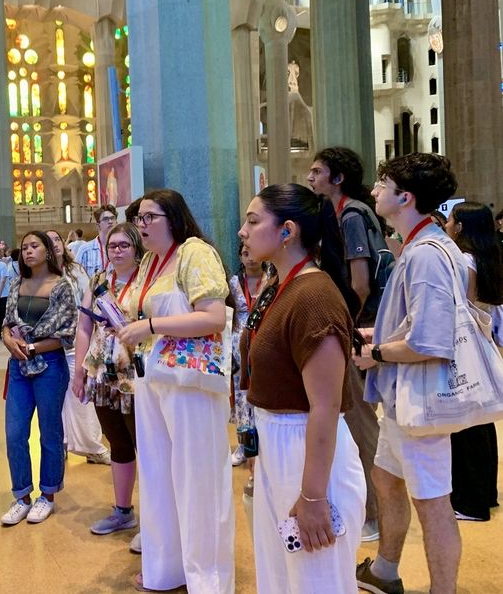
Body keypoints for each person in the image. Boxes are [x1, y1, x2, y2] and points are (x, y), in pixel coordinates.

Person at [238, 184, 365, 593]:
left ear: (287, 230)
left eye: (253, 221)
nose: (243, 231)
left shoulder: (314, 296)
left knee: (316, 580)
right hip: (281, 445)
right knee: (280, 579)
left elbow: (325, 407)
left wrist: (312, 498)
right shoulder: (279, 284)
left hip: (308, 449)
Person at [354, 152, 465, 594]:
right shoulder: (420, 246)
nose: (376, 190)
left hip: (422, 402)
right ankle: (385, 570)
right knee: (386, 477)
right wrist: (377, 333)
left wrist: (377, 353)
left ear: (406, 196)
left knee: (433, 504)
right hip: (405, 400)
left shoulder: (425, 254)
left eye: (383, 183)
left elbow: (429, 341)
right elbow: (417, 323)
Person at [115, 189, 234, 592]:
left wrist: (149, 327)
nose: (142, 226)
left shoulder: (194, 252)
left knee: (196, 475)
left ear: (173, 217)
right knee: (158, 474)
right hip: (153, 379)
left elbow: (213, 317)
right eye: (139, 219)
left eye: (150, 217)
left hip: (189, 382)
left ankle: (207, 577)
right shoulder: (149, 261)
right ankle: (167, 567)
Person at [307, 146, 383, 541]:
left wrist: (345, 326)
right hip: (359, 325)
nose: (311, 177)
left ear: (337, 178)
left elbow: (360, 282)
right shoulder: (341, 214)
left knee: (361, 419)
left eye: (317, 171)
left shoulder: (352, 214)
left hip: (361, 327)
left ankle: (375, 513)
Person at [0, 231, 77, 526]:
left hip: (50, 365)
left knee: (50, 432)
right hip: (18, 367)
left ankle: (48, 494)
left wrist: (30, 347)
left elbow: (65, 334)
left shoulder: (61, 287)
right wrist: (8, 341)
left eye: (35, 246)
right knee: (15, 433)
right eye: (24, 247)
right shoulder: (17, 282)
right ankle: (21, 495)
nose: (29, 251)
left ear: (47, 250)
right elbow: (6, 324)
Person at [72, 223, 143, 538]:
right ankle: (123, 511)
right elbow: (84, 327)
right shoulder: (99, 280)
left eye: (124, 245)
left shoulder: (147, 279)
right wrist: (79, 371)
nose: (117, 250)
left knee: (147, 446)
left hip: (136, 377)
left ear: (136, 248)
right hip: (103, 375)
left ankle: (158, 518)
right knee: (118, 442)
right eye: (112, 245)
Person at [444, 202, 503, 521]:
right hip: (485, 342)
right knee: (480, 422)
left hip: (466, 346)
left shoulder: (465, 261)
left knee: (466, 424)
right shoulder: (488, 258)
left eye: (451, 219)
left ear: (462, 227)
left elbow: (460, 307)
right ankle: (485, 494)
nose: (447, 223)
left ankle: (471, 501)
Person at [47, 229, 110, 465]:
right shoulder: (41, 274)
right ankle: (60, 443)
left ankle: (92, 446)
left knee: (81, 395)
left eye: (57, 239)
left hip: (77, 342)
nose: (54, 244)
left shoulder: (76, 271)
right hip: (51, 344)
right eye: (48, 241)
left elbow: (89, 303)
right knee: (54, 400)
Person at [227, 240, 265, 467]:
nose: (250, 258)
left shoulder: (272, 279)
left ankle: (264, 444)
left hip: (262, 341)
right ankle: (243, 445)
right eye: (244, 253)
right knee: (242, 400)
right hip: (237, 344)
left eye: (252, 252)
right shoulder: (233, 283)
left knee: (263, 396)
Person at [76, 205, 118, 277]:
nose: (110, 221)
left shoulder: (122, 249)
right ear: (98, 226)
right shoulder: (85, 250)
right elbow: (76, 277)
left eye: (112, 218)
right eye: (106, 219)